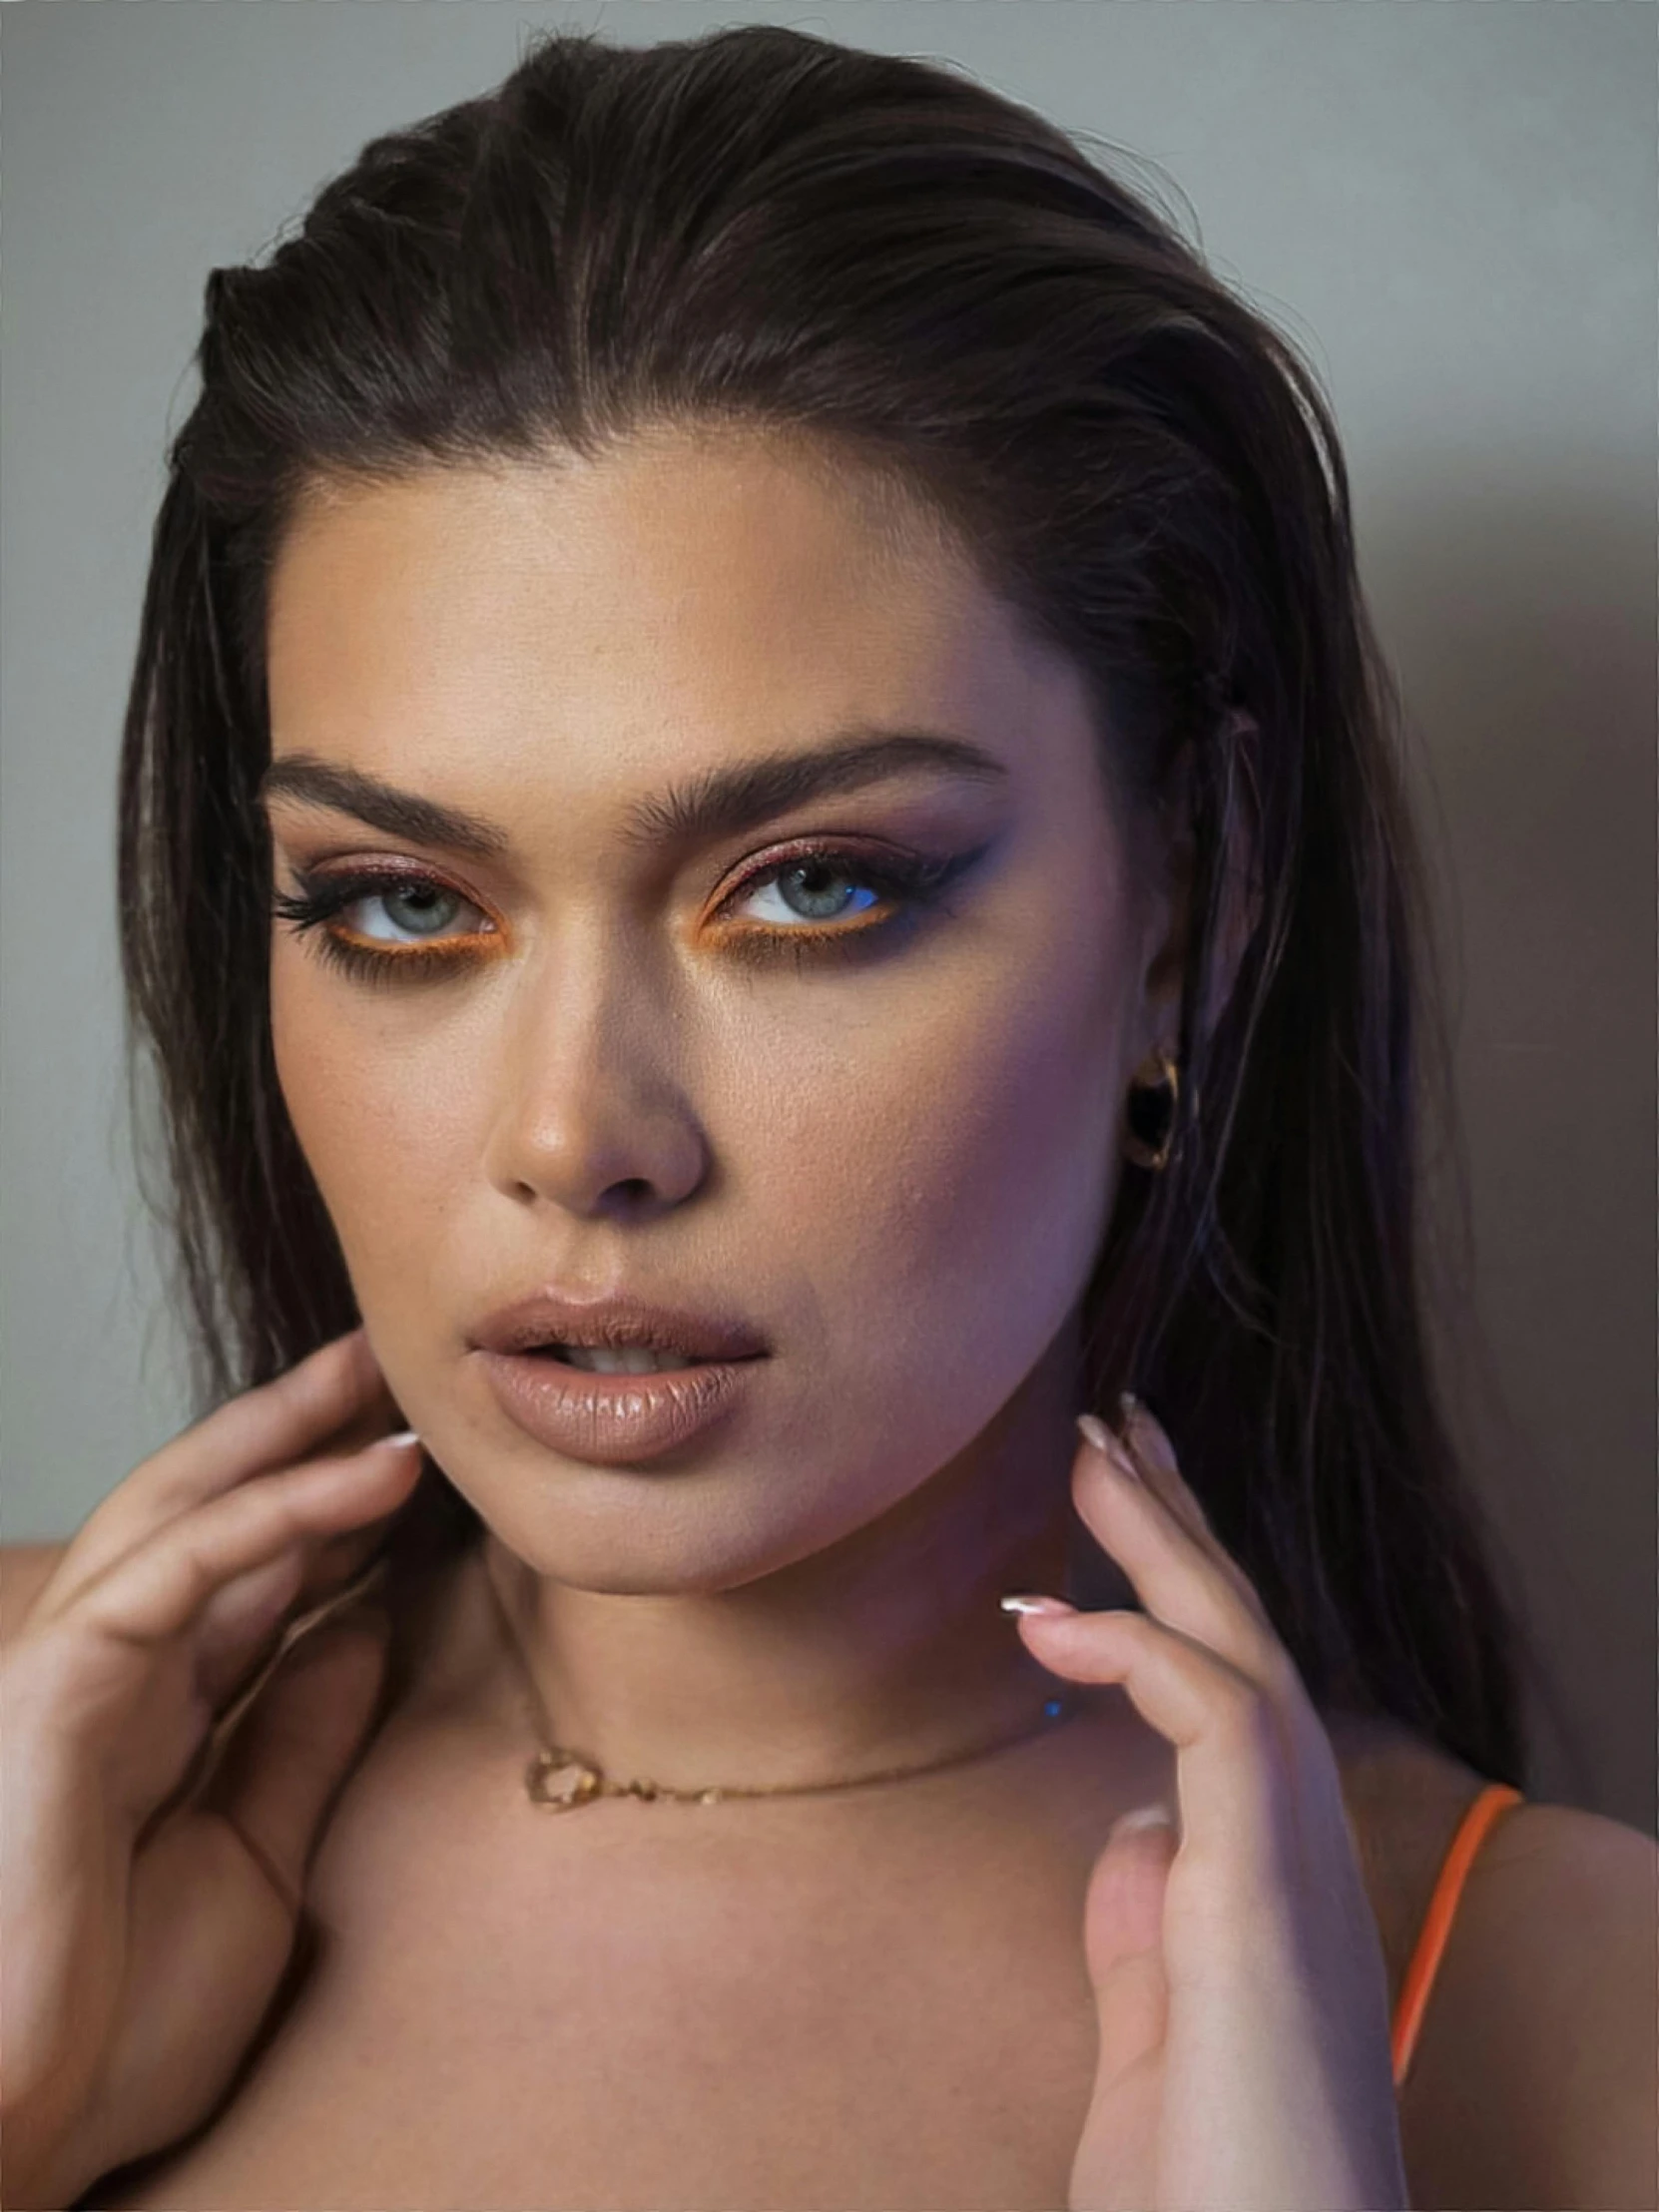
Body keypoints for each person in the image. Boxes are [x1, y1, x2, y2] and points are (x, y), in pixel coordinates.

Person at [1, 22, 1652, 2212]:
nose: (580, 1138)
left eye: (812, 887)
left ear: (1188, 910)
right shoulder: (37, 1770)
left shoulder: (1573, 2028)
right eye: (405, 901)